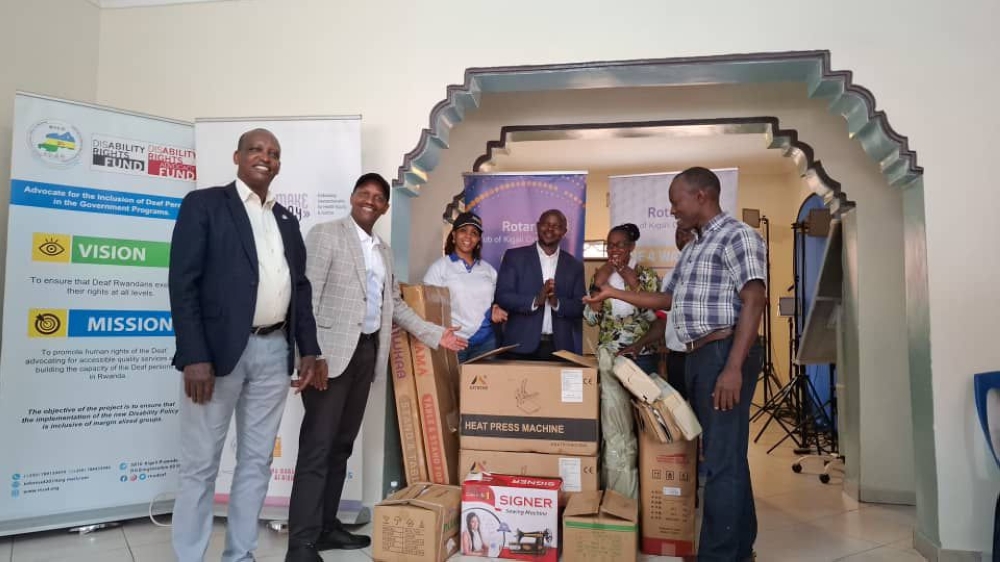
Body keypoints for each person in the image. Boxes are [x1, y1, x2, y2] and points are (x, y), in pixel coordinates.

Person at [285, 173, 468, 562]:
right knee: (317, 449)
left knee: (341, 446)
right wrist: (309, 354)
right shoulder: (326, 233)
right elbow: (306, 296)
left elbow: (395, 305)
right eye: (364, 194)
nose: (370, 201)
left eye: (378, 198)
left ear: (385, 207)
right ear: (352, 197)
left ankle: (326, 527)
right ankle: (300, 544)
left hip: (366, 353)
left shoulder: (383, 251)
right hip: (327, 358)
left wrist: (437, 335)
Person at [585, 167, 765, 562]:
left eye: (675, 200)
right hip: (698, 354)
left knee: (720, 460)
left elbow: (754, 300)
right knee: (725, 454)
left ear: (701, 195)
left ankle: (719, 555)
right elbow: (666, 302)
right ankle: (740, 545)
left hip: (724, 352)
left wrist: (733, 367)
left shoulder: (738, 235)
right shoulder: (697, 246)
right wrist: (613, 292)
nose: (671, 210)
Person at [168, 128, 321, 562]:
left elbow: (300, 288)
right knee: (201, 466)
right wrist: (194, 355)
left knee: (256, 463)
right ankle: (189, 557)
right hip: (215, 357)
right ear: (237, 156)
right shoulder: (205, 204)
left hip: (275, 353)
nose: (265, 157)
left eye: (273, 153)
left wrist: (308, 350)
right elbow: (183, 283)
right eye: (256, 149)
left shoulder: (287, 220)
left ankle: (240, 555)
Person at [494, 209, 585, 359]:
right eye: (546, 224)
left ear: (564, 231)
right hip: (519, 347)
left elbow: (580, 306)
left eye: (556, 226)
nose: (550, 229)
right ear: (537, 226)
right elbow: (502, 296)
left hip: (560, 349)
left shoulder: (574, 265)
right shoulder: (514, 257)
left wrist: (556, 302)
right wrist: (536, 300)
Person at [618, 227, 696, 397]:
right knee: (679, 413)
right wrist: (640, 345)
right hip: (676, 356)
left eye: (686, 232)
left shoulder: (706, 273)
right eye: (678, 234)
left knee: (704, 414)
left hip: (701, 354)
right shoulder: (670, 277)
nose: (682, 237)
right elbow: (661, 319)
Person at [423, 211, 508, 362]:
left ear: (479, 240)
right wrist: (441, 334)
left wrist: (496, 306)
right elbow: (427, 306)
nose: (468, 236)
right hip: (454, 341)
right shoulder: (439, 268)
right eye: (463, 231)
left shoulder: (488, 270)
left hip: (486, 342)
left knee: (485, 385)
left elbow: (496, 300)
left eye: (474, 233)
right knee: (453, 386)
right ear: (454, 235)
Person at [583, 223, 661, 373]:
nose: (614, 250)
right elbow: (591, 320)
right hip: (608, 355)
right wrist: (598, 284)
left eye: (620, 245)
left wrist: (632, 282)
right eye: (610, 246)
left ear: (631, 247)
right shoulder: (600, 275)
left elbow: (652, 317)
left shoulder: (647, 275)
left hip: (641, 355)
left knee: (644, 397)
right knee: (611, 397)